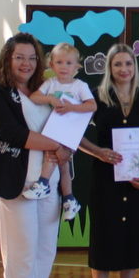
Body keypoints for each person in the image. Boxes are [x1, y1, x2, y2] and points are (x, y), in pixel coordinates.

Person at [0, 32, 72, 278]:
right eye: (19, 57)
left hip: (49, 184)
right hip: (16, 185)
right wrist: (56, 145)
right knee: (20, 254)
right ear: (7, 59)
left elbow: (66, 126)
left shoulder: (45, 90)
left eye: (32, 58)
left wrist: (73, 146)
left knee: (44, 254)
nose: (26, 63)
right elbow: (12, 133)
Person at [85, 44, 139, 278]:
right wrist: (98, 152)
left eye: (128, 63)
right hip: (105, 181)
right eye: (117, 64)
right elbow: (74, 135)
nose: (123, 69)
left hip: (136, 183)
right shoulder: (95, 98)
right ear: (109, 68)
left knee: (131, 242)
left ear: (134, 67)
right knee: (103, 242)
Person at [24, 42, 96, 221]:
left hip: (69, 130)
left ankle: (43, 183)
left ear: (76, 66)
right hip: (53, 128)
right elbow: (34, 96)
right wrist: (50, 98)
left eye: (69, 63)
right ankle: (69, 199)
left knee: (54, 157)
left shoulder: (79, 86)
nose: (64, 67)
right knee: (63, 166)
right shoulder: (50, 83)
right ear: (51, 65)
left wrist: (72, 108)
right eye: (59, 62)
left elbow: (92, 105)